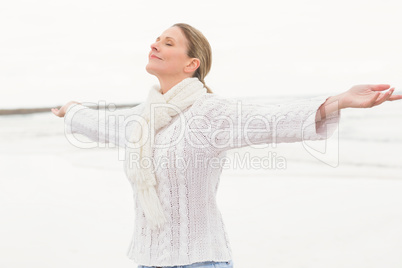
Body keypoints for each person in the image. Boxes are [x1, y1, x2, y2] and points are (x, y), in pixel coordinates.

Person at [51, 23, 402, 268]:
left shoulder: (209, 113)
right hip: (147, 261)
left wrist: (338, 100)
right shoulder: (140, 119)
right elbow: (102, 124)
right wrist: (71, 110)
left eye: (168, 42)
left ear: (192, 64)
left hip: (201, 261)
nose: (154, 45)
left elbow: (271, 120)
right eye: (156, 39)